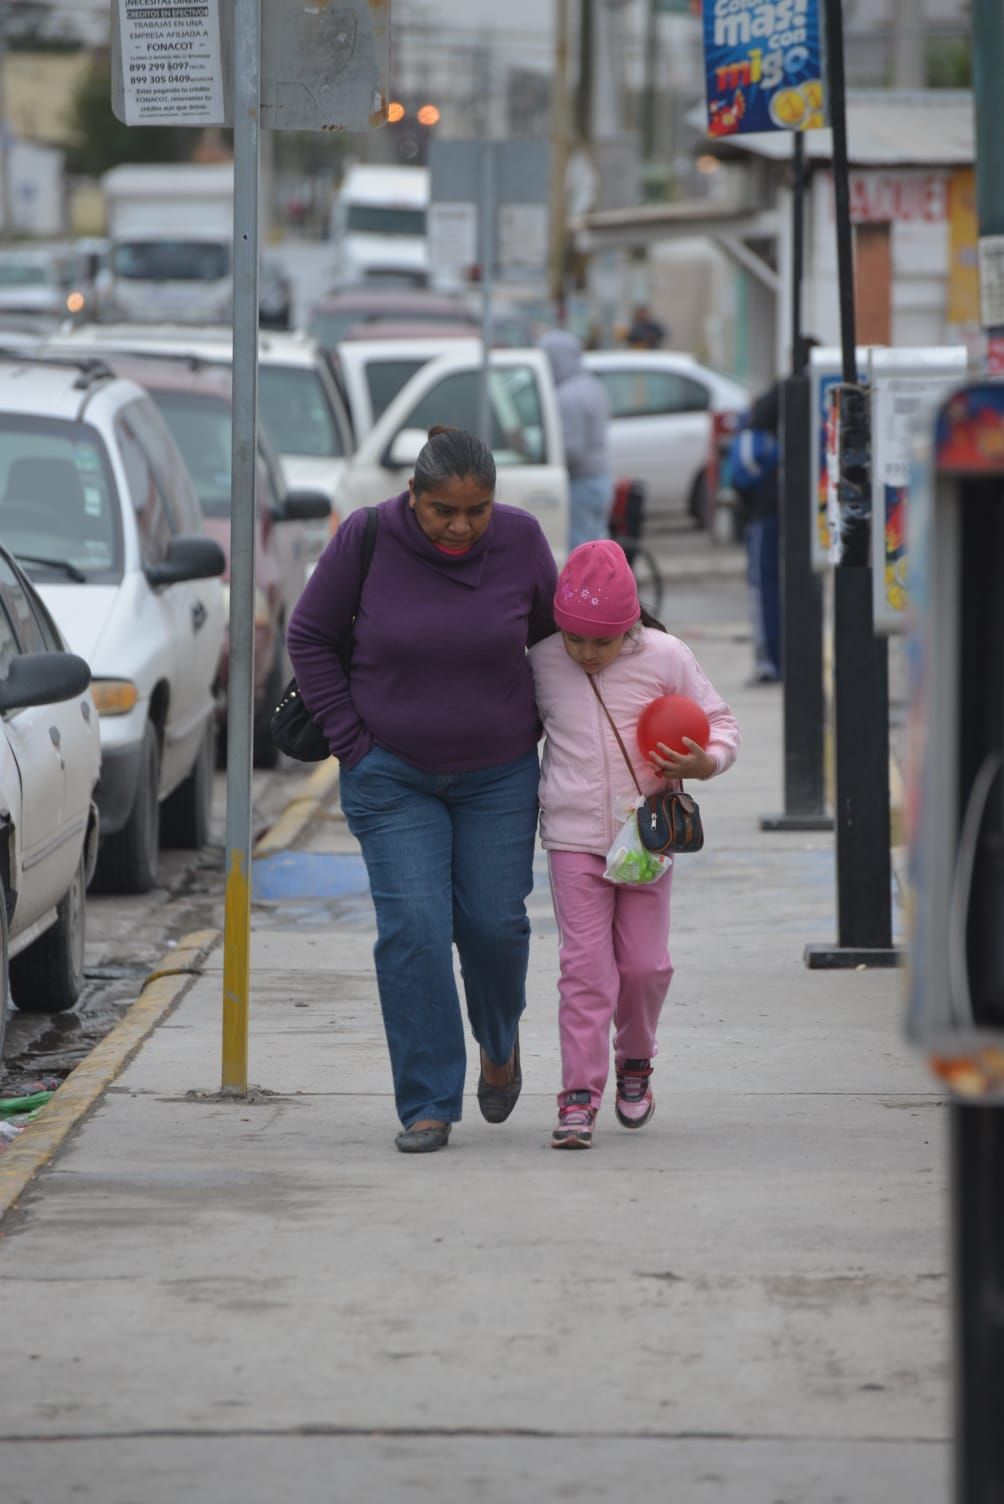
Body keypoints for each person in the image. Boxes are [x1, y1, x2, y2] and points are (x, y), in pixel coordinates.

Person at [287, 426, 558, 1155]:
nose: (462, 526)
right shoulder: (367, 538)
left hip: (499, 772)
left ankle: (499, 1045)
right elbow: (308, 635)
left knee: (495, 927)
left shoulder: (524, 542)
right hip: (393, 774)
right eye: (444, 510)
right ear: (413, 495)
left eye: (478, 510)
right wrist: (352, 743)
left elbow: (556, 642)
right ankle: (429, 1101)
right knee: (414, 930)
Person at [528, 541, 740, 1150]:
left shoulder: (666, 656)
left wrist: (706, 761)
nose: (588, 654)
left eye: (603, 641)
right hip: (572, 840)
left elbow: (723, 723)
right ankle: (578, 1096)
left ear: (630, 626)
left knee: (645, 968)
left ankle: (637, 1060)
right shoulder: (541, 662)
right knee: (585, 972)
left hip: (646, 837)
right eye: (575, 639)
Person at [539, 330, 613, 553]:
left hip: (579, 483)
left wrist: (543, 455)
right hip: (601, 478)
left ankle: (587, 590)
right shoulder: (593, 385)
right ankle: (605, 589)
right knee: (599, 551)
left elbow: (572, 451)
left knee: (581, 553)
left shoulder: (566, 397)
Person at [730, 386, 782, 683]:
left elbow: (743, 473)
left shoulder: (766, 404)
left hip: (764, 514)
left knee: (763, 589)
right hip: (792, 514)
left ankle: (770, 664)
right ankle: (781, 660)